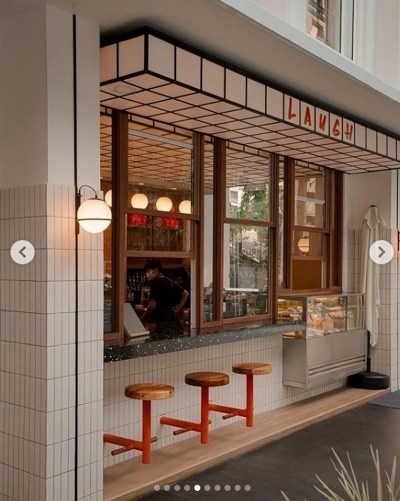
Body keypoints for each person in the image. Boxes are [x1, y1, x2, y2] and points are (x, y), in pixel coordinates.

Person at [140, 259, 187, 340]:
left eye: (148, 271)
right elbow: (185, 294)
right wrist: (177, 310)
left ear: (156, 270)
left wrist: (142, 317)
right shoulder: (169, 280)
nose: (147, 274)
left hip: (157, 322)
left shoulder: (154, 282)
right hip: (170, 320)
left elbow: (152, 305)